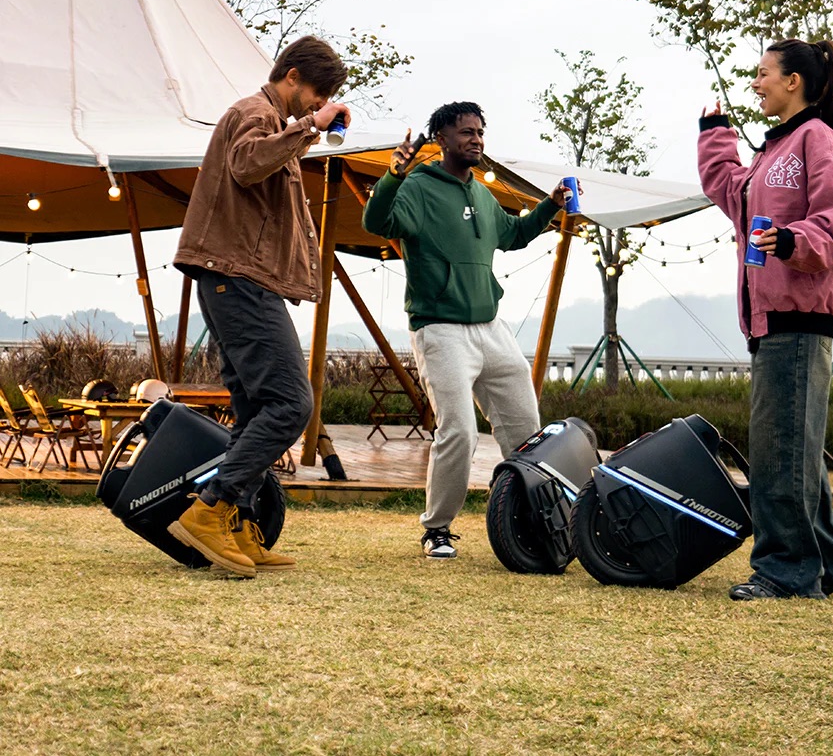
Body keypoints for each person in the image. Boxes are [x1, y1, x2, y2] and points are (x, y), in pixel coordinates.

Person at [698, 38, 833, 600]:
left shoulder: (818, 139)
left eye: (763, 73)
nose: (755, 83)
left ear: (793, 81)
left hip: (799, 317)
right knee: (794, 447)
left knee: (779, 453)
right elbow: (734, 195)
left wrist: (793, 240)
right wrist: (716, 135)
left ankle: (787, 571)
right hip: (771, 317)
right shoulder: (775, 149)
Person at [169, 35, 350, 577]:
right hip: (239, 276)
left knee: (253, 410)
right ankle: (210, 510)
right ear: (292, 76)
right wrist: (311, 126)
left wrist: (306, 131)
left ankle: (239, 524)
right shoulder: (255, 112)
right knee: (292, 403)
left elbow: (261, 173)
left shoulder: (274, 123)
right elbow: (248, 164)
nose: (319, 105)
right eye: (318, 94)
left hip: (240, 277)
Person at [362, 101, 570, 558]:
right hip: (440, 329)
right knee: (459, 431)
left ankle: (531, 518)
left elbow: (514, 235)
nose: (476, 140)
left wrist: (550, 206)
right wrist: (394, 175)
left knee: (527, 430)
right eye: (466, 132)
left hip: (491, 327)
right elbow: (377, 222)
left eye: (480, 132)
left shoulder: (482, 193)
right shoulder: (417, 187)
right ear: (441, 139)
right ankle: (437, 528)